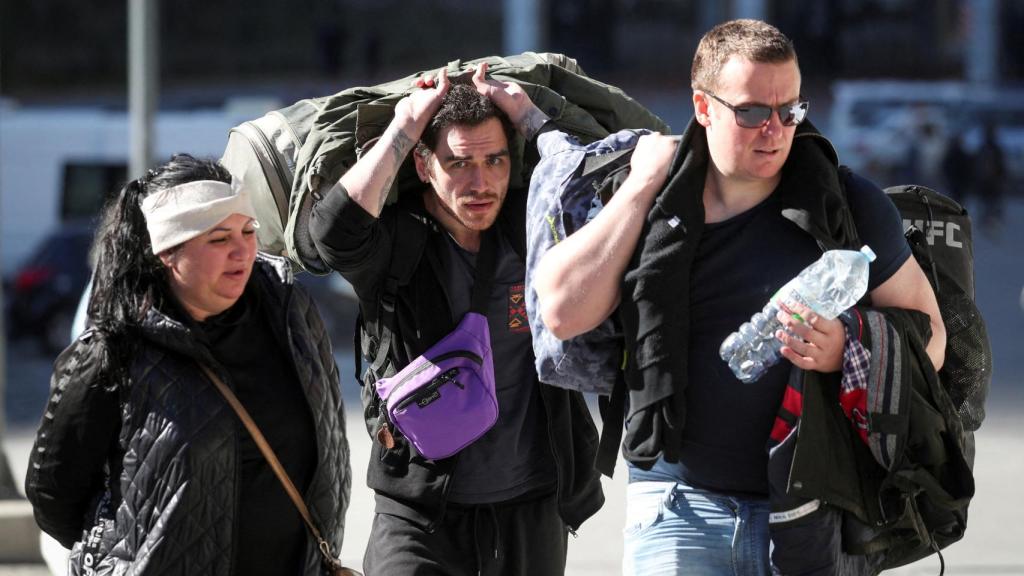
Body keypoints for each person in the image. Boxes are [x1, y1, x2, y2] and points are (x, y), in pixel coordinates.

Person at [534, 19, 946, 575]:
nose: (774, 130)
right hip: (677, 505)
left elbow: (932, 335)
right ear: (703, 108)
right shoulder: (653, 196)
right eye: (751, 111)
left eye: (790, 110)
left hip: (815, 511)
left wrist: (846, 349)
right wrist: (639, 187)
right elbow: (560, 312)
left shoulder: (848, 206)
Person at [309, 65, 603, 575]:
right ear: (425, 167)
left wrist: (528, 115)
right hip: (420, 509)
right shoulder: (399, 243)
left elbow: (595, 187)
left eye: (495, 161)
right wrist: (404, 129)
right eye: (460, 163)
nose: (481, 182)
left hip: (531, 503)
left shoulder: (527, 223)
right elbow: (333, 233)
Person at [25, 154, 351, 575]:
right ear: (167, 252)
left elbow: (327, 456)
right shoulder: (115, 347)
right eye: (218, 239)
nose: (242, 250)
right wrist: (126, 555)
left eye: (248, 231)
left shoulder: (290, 315)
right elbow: (53, 494)